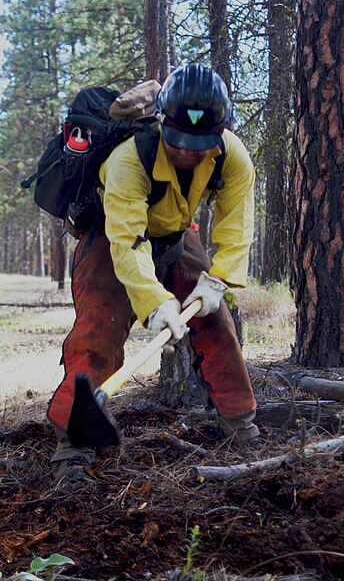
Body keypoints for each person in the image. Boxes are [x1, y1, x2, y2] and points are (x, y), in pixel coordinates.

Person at [47, 63, 260, 483]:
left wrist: (218, 279)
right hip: (113, 236)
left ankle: (241, 427)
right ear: (163, 123)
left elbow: (237, 223)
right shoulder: (129, 160)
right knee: (98, 331)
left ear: (219, 131)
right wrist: (157, 303)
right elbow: (128, 242)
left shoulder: (232, 156)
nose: (188, 152)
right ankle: (72, 447)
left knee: (215, 321)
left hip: (176, 234)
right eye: (179, 141)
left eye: (200, 143)